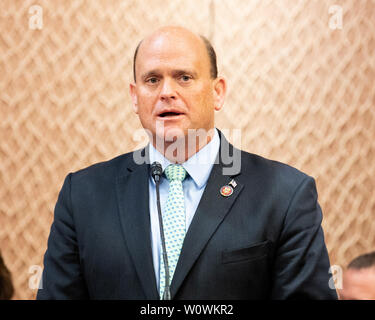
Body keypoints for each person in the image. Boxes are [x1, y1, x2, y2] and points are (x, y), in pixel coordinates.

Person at [37, 26, 337, 299]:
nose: (167, 92)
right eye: (152, 80)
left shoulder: (285, 194)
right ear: (134, 96)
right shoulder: (83, 195)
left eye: (184, 77)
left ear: (217, 92)